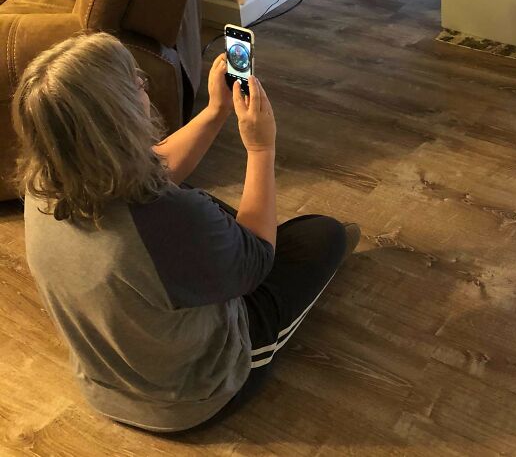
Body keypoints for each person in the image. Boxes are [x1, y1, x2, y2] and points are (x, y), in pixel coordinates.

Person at [11, 32, 359, 433]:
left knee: (209, 210)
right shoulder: (166, 221)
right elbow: (259, 260)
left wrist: (215, 111)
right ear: (120, 115)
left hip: (104, 384)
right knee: (322, 235)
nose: (145, 89)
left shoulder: (43, 186)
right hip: (194, 395)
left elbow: (153, 173)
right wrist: (262, 149)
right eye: (137, 84)